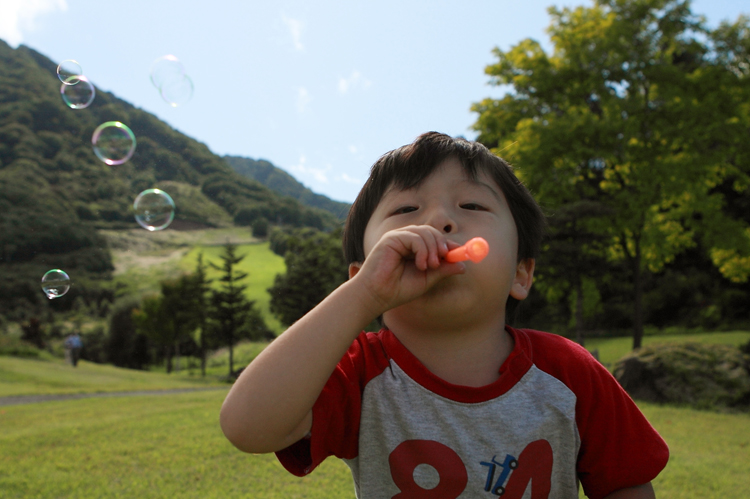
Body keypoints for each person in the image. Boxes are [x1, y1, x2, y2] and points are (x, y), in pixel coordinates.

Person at [220, 132, 669, 498]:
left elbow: (625, 483)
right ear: (362, 273)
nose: (438, 221)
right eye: (406, 210)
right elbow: (247, 427)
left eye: (472, 206)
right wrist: (361, 298)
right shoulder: (359, 374)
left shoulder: (570, 373)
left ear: (520, 274)